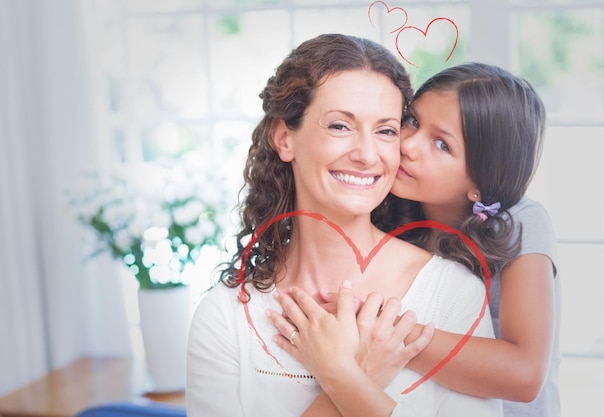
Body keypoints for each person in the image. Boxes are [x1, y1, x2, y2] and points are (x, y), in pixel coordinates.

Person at [186, 34, 502, 417]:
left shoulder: (452, 293)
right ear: (285, 138)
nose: (367, 155)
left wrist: (340, 376)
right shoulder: (227, 315)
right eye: (340, 126)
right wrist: (360, 375)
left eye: (386, 130)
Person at [270, 62, 560, 417]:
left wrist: (382, 332)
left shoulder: (519, 221)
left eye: (441, 144)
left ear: (481, 184)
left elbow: (525, 375)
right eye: (413, 122)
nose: (407, 144)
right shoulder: (389, 205)